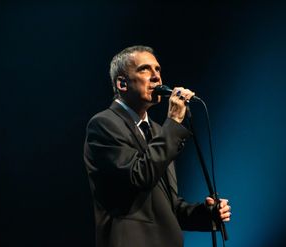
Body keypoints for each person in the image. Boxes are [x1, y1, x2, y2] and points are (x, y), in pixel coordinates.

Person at [83, 45, 231, 247]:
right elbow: (139, 176)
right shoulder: (104, 124)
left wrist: (205, 215)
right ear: (122, 84)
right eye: (145, 69)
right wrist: (172, 125)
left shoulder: (157, 131)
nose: (156, 78)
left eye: (158, 70)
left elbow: (168, 205)